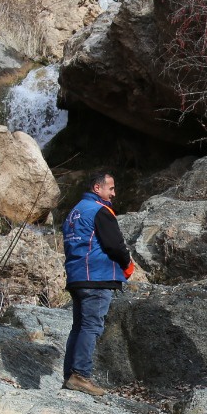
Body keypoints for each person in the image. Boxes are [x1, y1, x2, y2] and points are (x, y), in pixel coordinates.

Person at [61, 170, 135, 396]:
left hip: (77, 277)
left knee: (79, 327)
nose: (113, 193)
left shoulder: (74, 212)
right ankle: (81, 375)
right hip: (97, 277)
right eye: (110, 188)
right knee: (91, 326)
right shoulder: (100, 211)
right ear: (97, 188)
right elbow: (114, 245)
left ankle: (70, 375)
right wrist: (127, 265)